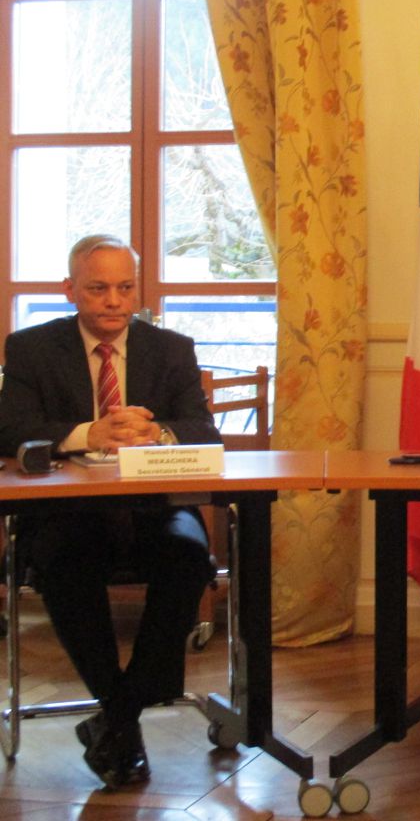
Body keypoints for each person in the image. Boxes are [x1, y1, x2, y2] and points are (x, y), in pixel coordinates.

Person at [0, 235, 221, 789]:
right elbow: (10, 431)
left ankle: (116, 719)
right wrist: (88, 434)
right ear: (70, 290)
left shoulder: (170, 349)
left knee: (189, 559)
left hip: (156, 509)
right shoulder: (30, 348)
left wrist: (157, 432)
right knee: (62, 562)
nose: (114, 301)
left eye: (125, 287)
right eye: (98, 288)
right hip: (66, 512)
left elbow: (203, 430)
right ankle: (123, 717)